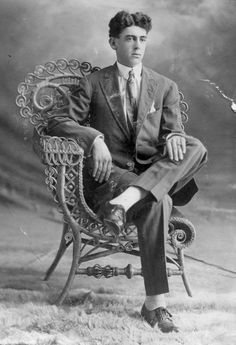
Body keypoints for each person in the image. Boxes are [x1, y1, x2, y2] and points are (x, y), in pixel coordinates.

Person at [47, 11, 207, 333]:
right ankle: (156, 306)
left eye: (142, 39)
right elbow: (59, 122)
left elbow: (174, 132)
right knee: (157, 202)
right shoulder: (93, 83)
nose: (138, 46)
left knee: (196, 147)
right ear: (113, 42)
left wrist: (174, 136)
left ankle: (131, 197)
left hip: (150, 172)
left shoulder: (164, 86)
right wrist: (95, 138)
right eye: (130, 39)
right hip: (112, 177)